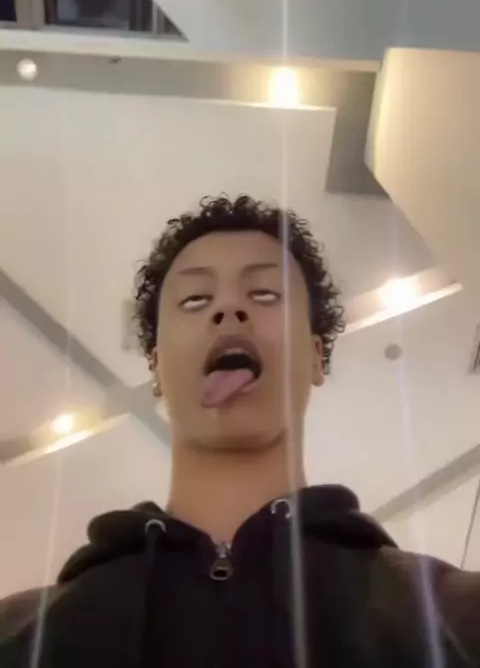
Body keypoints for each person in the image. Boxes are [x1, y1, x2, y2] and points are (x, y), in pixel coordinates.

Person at [1, 194, 479, 667]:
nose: (229, 309)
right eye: (195, 299)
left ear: (316, 356)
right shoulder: (21, 635)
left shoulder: (455, 614)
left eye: (265, 294)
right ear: (157, 367)